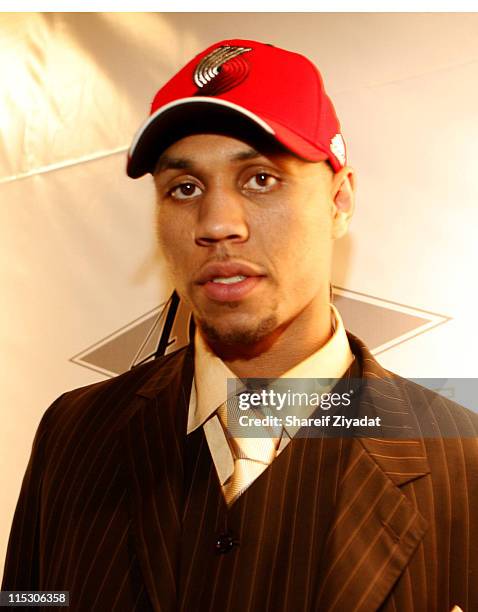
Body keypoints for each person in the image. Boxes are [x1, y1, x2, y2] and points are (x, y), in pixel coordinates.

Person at [2, 39, 477, 612]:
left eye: (260, 180)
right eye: (185, 188)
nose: (218, 223)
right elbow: (32, 599)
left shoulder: (463, 463)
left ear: (340, 199)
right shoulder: (72, 433)